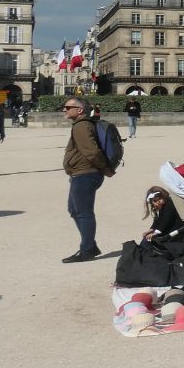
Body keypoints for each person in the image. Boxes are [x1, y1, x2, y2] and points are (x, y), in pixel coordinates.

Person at [60, 96, 114, 263]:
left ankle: (87, 249)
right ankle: (90, 245)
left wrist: (105, 169)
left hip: (86, 174)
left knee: (83, 213)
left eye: (68, 107)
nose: (64, 109)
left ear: (80, 110)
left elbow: (92, 151)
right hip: (81, 173)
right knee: (74, 210)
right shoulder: (82, 125)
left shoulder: (81, 126)